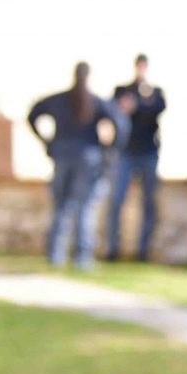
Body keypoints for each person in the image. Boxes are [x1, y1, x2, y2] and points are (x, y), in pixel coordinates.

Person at [28, 62, 125, 270]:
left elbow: (33, 114)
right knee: (85, 208)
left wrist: (47, 141)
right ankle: (82, 258)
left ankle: (56, 255)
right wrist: (109, 151)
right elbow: (121, 124)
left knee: (62, 206)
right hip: (87, 159)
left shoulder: (59, 100)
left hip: (63, 156)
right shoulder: (95, 102)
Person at [106, 53, 167, 262]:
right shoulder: (122, 90)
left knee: (149, 203)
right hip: (126, 152)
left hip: (148, 152)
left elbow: (158, 108)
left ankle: (143, 250)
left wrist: (138, 105)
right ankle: (113, 248)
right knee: (117, 200)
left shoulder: (155, 93)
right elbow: (112, 109)